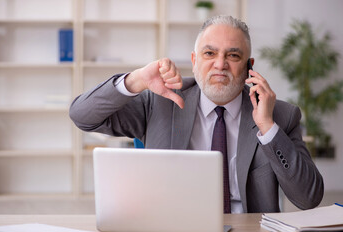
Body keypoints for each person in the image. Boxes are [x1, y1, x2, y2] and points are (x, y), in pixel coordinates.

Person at [70, 15, 324, 213]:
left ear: (249, 66)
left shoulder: (281, 115)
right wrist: (135, 80)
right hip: (172, 230)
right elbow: (82, 115)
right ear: (194, 60)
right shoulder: (160, 102)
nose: (220, 64)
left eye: (233, 55)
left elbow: (308, 198)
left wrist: (268, 127)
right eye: (209, 53)